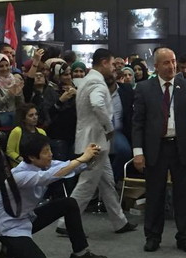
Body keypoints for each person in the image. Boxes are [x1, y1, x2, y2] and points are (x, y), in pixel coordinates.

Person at [0, 134, 107, 258]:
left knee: (69, 203)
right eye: (46, 151)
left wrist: (90, 157)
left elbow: (68, 167)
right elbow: (50, 176)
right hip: (9, 225)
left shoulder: (44, 164)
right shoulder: (19, 175)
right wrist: (82, 158)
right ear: (32, 157)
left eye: (49, 149)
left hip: (27, 217)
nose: (50, 154)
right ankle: (9, 249)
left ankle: (80, 253)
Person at [56, 48, 137, 235]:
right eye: (112, 64)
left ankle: (119, 221)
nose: (114, 68)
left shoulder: (87, 80)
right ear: (104, 62)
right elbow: (97, 104)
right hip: (95, 142)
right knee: (86, 184)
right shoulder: (96, 82)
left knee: (107, 183)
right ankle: (65, 223)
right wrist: (109, 128)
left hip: (92, 141)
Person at [133, 47, 186, 253]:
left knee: (183, 195)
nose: (172, 66)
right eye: (166, 62)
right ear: (156, 66)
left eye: (173, 62)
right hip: (156, 148)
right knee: (155, 194)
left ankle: (185, 237)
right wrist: (138, 152)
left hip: (181, 147)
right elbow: (137, 123)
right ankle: (153, 236)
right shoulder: (144, 88)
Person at [6, 103, 46, 167]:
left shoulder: (42, 132)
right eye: (31, 115)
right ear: (23, 118)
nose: (35, 117)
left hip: (39, 166)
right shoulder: (17, 131)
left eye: (36, 114)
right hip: (21, 166)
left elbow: (45, 151)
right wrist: (24, 161)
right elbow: (10, 152)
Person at [0, 53, 24, 127]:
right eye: (1, 66)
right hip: (0, 117)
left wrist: (19, 93)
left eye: (7, 65)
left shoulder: (13, 79)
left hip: (15, 116)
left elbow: (21, 103)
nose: (5, 68)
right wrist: (9, 95)